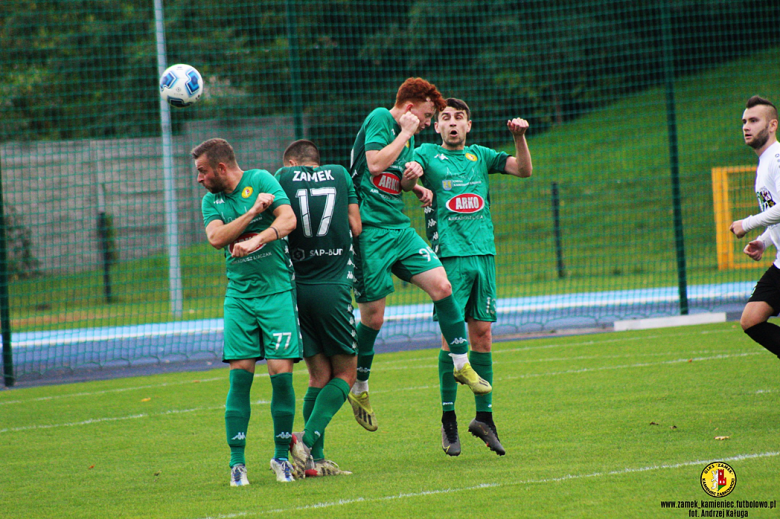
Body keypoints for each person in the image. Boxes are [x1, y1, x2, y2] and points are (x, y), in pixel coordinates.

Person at [348, 78, 492, 433]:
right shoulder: (382, 118)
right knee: (374, 319)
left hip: (398, 228)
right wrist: (404, 135)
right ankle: (360, 386)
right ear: (411, 107)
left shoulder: (409, 136)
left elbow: (396, 180)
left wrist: (416, 184)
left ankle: (461, 364)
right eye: (429, 115)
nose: (430, 122)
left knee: (442, 286)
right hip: (369, 232)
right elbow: (376, 164)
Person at [410, 98, 532, 457]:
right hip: (449, 258)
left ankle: (484, 419)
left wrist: (520, 138)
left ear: (468, 125)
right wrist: (415, 182)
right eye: (445, 118)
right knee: (453, 339)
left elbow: (523, 170)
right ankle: (449, 420)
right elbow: (408, 171)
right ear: (437, 126)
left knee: (483, 335)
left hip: (484, 255)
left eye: (458, 118)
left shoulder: (481, 155)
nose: (451, 123)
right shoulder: (428, 153)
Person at [193, 138, 301, 486]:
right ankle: (237, 464)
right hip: (239, 298)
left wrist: (259, 238)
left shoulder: (263, 180)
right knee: (240, 375)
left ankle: (281, 459)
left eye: (202, 171)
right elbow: (216, 238)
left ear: (220, 168)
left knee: (281, 374)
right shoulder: (211, 201)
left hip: (277, 294)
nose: (199, 178)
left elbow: (288, 220)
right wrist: (254, 213)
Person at [274, 139, 360, 478]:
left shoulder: (282, 177)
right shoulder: (339, 174)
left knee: (318, 376)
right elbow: (356, 226)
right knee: (346, 374)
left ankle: (314, 463)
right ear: (315, 160)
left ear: (292, 163)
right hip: (333, 285)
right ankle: (305, 441)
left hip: (297, 288)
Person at [729, 95, 780, 360]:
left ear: (773, 125)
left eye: (753, 120)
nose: (746, 126)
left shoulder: (778, 158)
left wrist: (747, 225)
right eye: (744, 121)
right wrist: (764, 241)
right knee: (751, 319)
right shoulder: (763, 164)